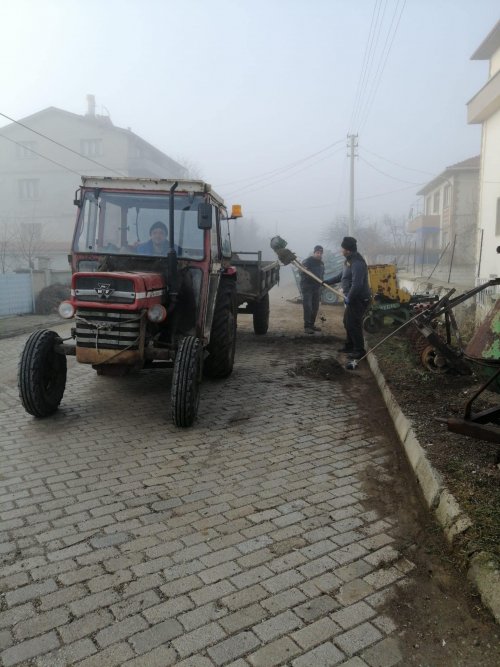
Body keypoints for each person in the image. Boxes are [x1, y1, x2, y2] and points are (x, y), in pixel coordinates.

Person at [325, 236, 371, 359]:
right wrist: (327, 282)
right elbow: (341, 276)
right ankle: (350, 345)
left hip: (359, 299)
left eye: (342, 248)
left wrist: (349, 297)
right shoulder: (348, 261)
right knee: (347, 322)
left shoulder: (357, 263)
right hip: (353, 298)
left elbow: (357, 284)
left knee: (353, 323)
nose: (341, 250)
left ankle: (359, 350)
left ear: (348, 250)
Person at [301, 245, 325, 334]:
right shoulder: (307, 261)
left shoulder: (321, 263)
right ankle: (307, 326)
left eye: (320, 253)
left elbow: (322, 275)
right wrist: (306, 272)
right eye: (317, 253)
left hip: (317, 287)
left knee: (315, 307)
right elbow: (301, 272)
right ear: (314, 253)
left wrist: (322, 284)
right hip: (307, 287)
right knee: (308, 306)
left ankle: (311, 325)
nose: (319, 254)